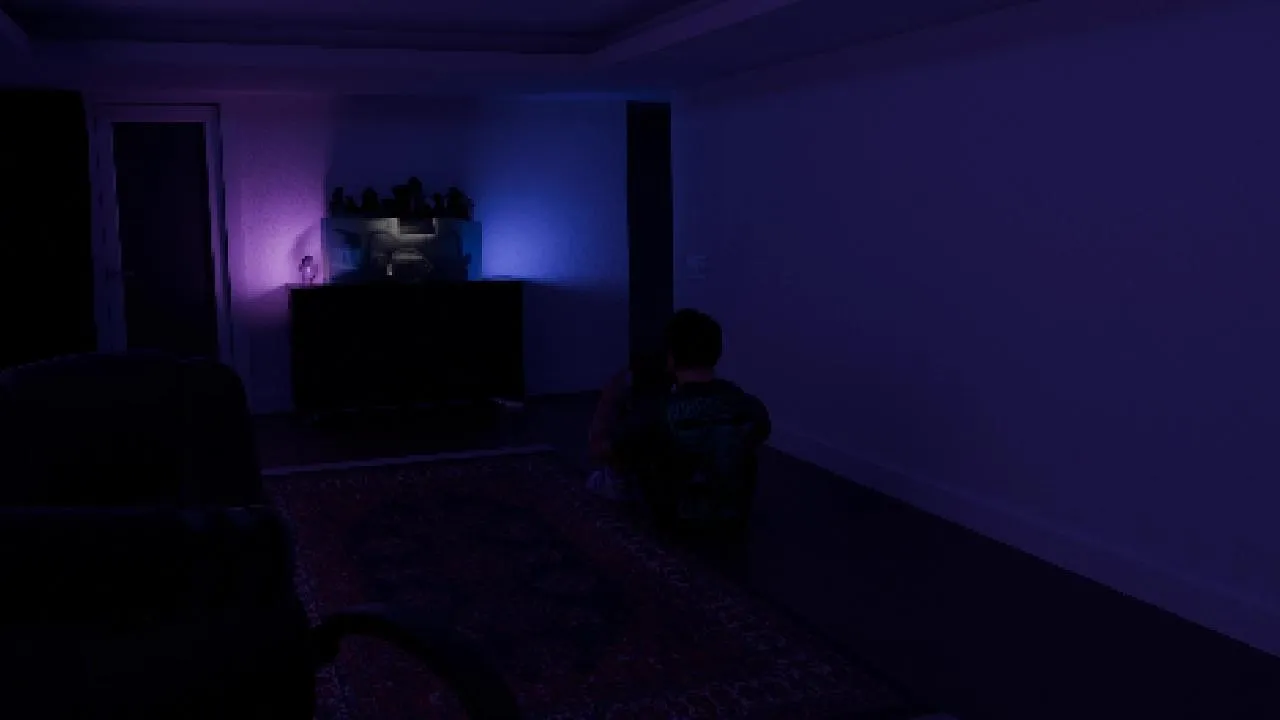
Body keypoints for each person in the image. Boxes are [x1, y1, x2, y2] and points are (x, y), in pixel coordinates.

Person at [587, 309, 771, 533]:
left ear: (671, 357)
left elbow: (598, 448)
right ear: (717, 353)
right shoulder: (751, 408)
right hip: (732, 524)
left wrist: (610, 398)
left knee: (616, 466)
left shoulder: (655, 414)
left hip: (675, 529)